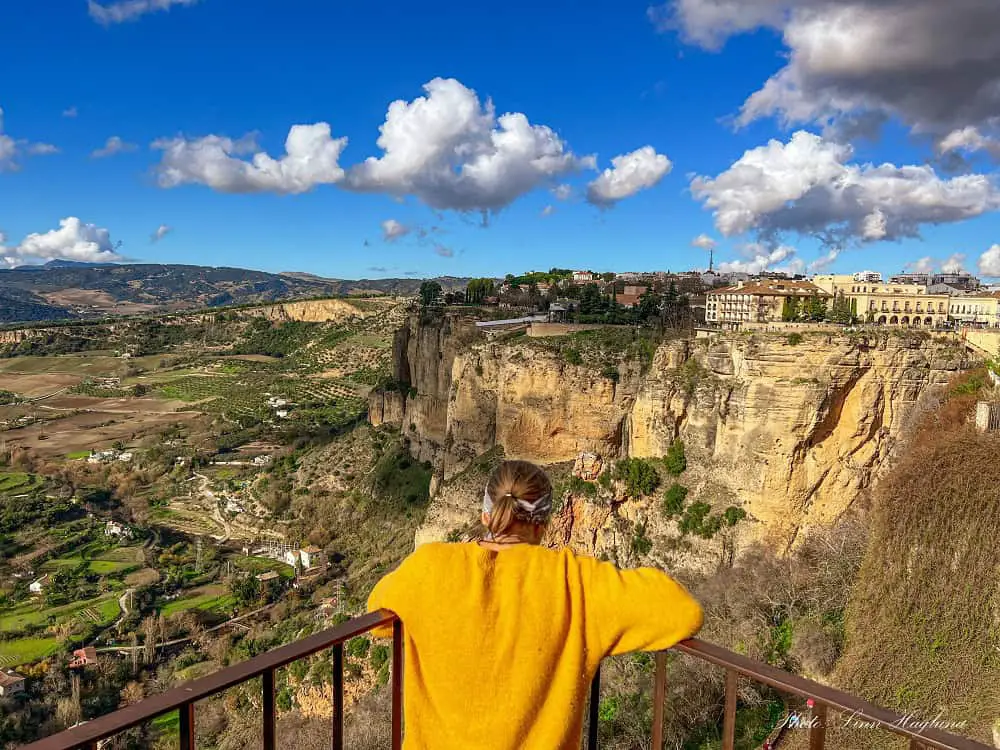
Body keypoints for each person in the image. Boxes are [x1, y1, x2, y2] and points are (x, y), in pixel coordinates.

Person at [366, 459, 704, 749]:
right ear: (542, 526)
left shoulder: (431, 565)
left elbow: (378, 616)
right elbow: (681, 611)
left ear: (486, 515)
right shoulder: (575, 581)